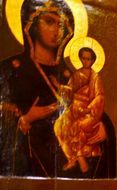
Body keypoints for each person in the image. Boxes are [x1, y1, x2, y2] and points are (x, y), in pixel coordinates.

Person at [0, 0, 74, 177]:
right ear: (30, 23)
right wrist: (25, 120)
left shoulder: (69, 76)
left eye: (61, 24)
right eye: (49, 22)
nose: (56, 30)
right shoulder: (9, 69)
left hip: (63, 167)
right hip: (24, 168)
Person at [53, 47, 106, 174]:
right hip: (74, 108)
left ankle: (81, 161)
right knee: (59, 125)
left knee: (76, 127)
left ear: (93, 60)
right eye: (83, 58)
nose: (86, 61)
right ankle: (71, 158)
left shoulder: (95, 78)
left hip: (87, 111)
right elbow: (69, 90)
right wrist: (58, 86)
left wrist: (89, 108)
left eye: (88, 59)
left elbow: (100, 97)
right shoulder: (77, 74)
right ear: (80, 58)